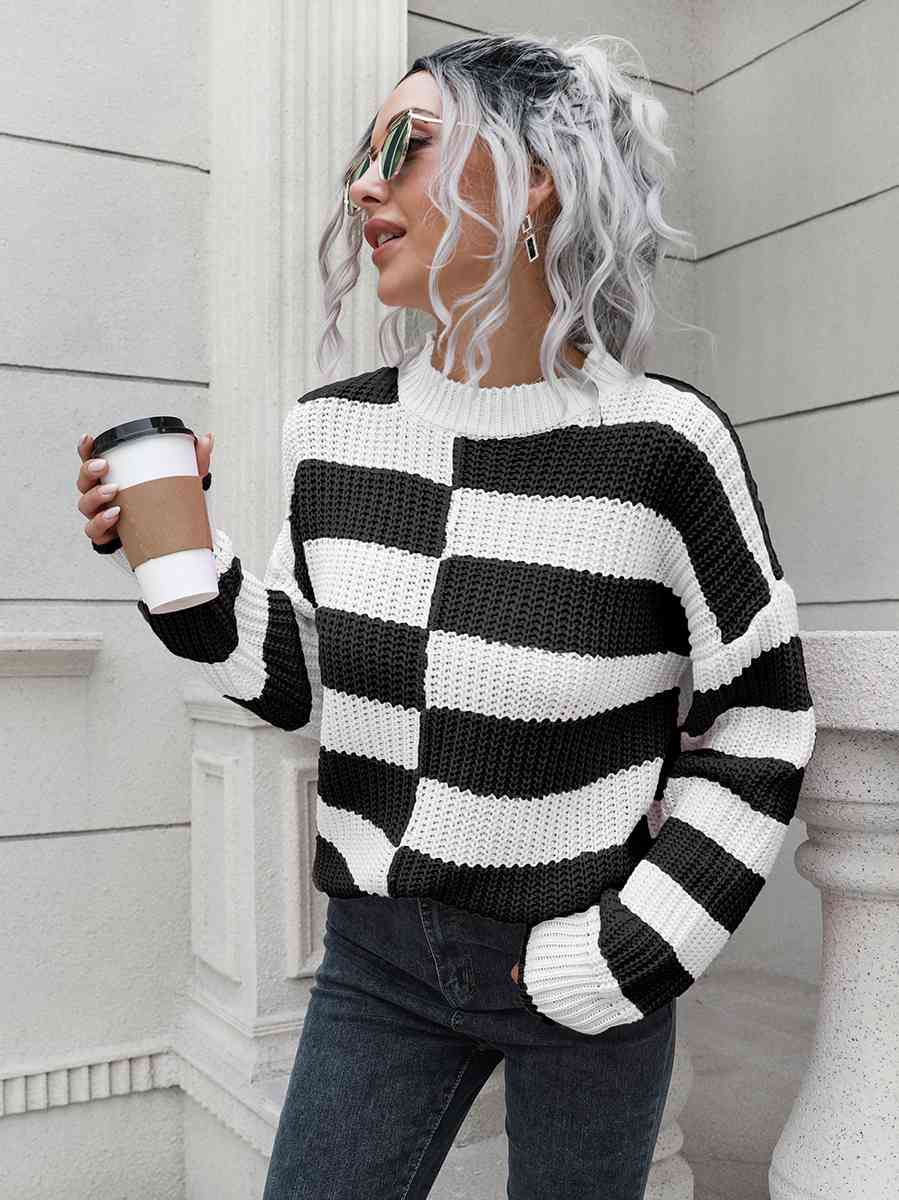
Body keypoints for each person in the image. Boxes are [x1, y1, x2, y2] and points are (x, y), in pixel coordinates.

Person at [76, 31, 817, 1200]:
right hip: (377, 962)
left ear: (538, 177)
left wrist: (638, 944)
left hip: (587, 958)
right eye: (361, 159)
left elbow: (762, 717)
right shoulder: (332, 433)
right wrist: (183, 571)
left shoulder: (666, 446)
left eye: (405, 147)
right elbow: (311, 685)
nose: (363, 187)